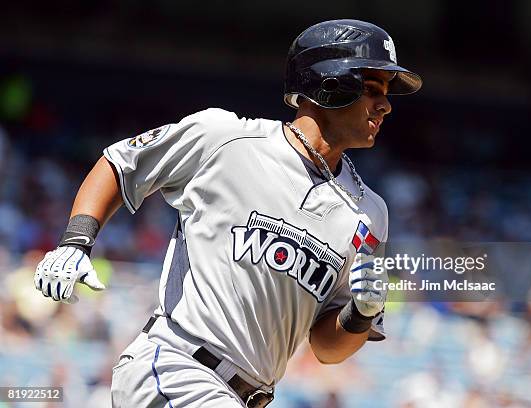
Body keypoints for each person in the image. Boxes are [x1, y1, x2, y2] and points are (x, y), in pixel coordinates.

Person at [34, 19, 422, 407]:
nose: (386, 105)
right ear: (328, 84)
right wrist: (76, 242)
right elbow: (121, 164)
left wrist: (360, 313)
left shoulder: (370, 214)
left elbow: (326, 348)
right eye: (372, 90)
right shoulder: (226, 139)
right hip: (175, 367)